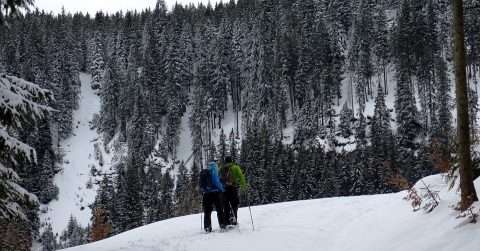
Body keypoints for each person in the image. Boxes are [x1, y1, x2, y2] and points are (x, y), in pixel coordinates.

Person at [219, 156, 247, 226]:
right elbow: (241, 176)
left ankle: (226, 222)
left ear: (225, 161)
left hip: (224, 190)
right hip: (233, 188)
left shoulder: (221, 168)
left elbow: (218, 179)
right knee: (234, 204)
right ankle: (234, 220)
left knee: (226, 206)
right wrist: (243, 186)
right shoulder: (235, 167)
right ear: (231, 161)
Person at [200, 161, 226, 232]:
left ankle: (207, 227)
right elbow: (216, 182)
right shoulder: (214, 170)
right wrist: (222, 189)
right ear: (215, 165)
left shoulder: (205, 172)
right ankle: (222, 224)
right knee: (219, 209)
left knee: (207, 211)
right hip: (215, 193)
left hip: (206, 194)